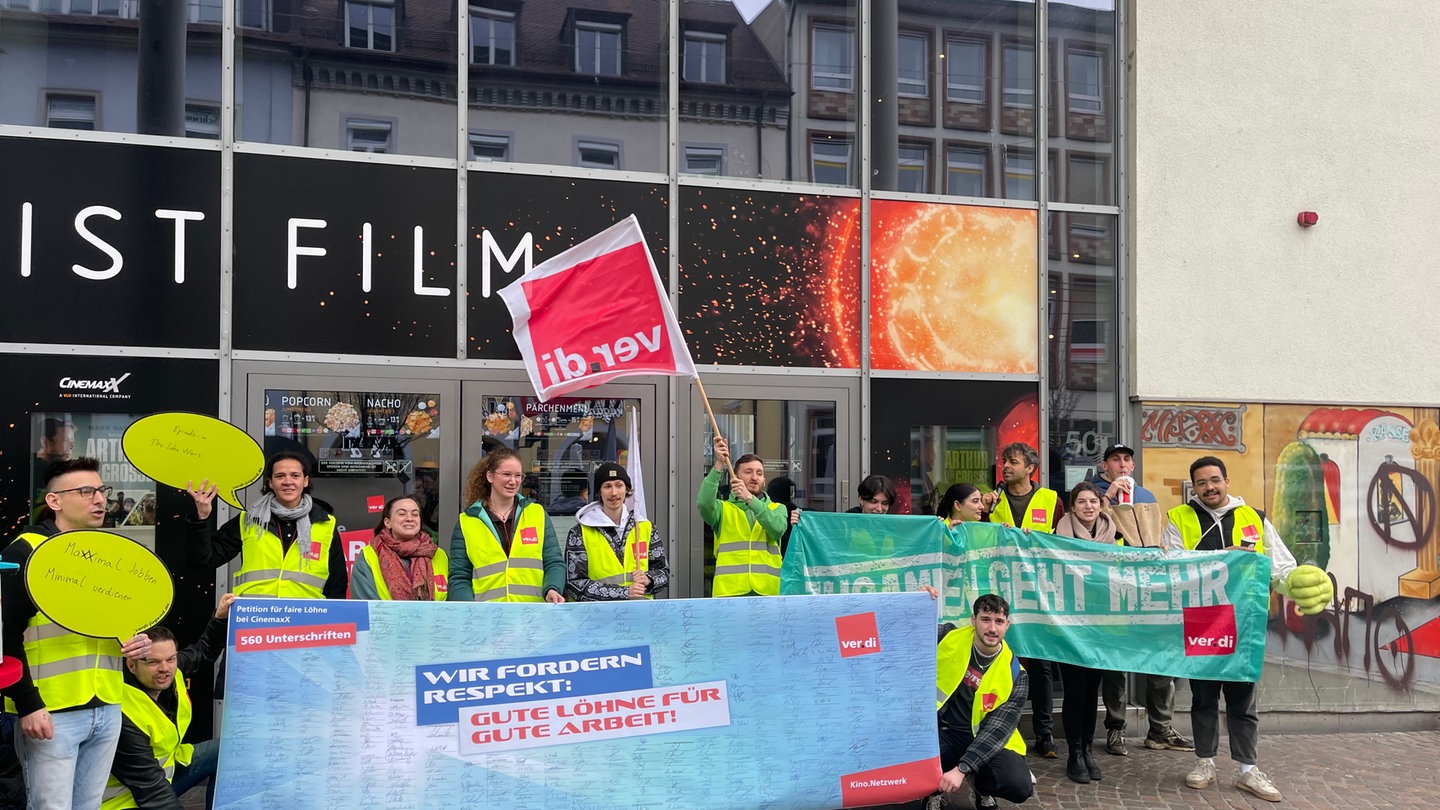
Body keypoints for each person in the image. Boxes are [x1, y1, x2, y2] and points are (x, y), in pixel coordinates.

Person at [1162, 456, 1333, 803]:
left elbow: (1280, 566)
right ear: (1193, 487)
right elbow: (1173, 567)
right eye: (1201, 483)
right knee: (1203, 697)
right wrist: (1227, 555)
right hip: (1202, 621)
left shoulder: (1255, 517)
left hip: (1245, 622)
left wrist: (1296, 581)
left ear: (1227, 481)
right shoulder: (1177, 518)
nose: (1209, 488)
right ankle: (1205, 762)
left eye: (1214, 480)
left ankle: (1247, 770)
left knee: (1242, 699)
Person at [1, 458, 153, 810]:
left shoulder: (106, 554)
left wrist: (137, 640)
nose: (99, 499)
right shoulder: (24, 551)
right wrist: (28, 705)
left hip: (107, 704)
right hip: (50, 711)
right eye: (86, 491)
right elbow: (4, 637)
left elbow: (119, 623)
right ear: (54, 501)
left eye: (102, 490)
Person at [1091, 442, 1192, 757]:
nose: (1122, 465)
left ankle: (1160, 729)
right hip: (1113, 591)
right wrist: (1107, 497)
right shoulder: (1091, 493)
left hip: (1147, 589)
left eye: (1126, 460)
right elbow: (1092, 531)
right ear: (1105, 466)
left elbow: (1156, 537)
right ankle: (1116, 729)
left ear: (1132, 467)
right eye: (1115, 460)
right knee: (1116, 664)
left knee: (1159, 658)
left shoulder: (1146, 497)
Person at [102, 594, 234, 810]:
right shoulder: (120, 709)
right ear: (131, 666)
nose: (165, 668)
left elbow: (204, 651)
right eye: (153, 662)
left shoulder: (172, 671)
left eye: (171, 659)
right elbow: (151, 788)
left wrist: (219, 618)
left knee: (228, 749)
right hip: (128, 799)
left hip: (168, 774)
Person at [980, 442, 1061, 758]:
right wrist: (984, 514)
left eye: (1013, 461)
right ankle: (996, 730)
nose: (1006, 466)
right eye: (1004, 461)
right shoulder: (992, 500)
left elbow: (1060, 544)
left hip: (1036, 592)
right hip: (999, 592)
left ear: (1031, 468)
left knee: (1041, 664)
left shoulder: (1051, 501)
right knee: (999, 661)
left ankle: (1044, 733)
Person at [186, 450, 347, 599]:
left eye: (295, 475)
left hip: (305, 621)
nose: (287, 481)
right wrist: (202, 517)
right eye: (280, 476)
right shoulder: (248, 519)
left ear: (305, 481)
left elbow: (337, 584)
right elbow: (203, 560)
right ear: (270, 483)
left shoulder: (325, 523)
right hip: (257, 619)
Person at [930, 593, 1033, 810]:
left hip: (984, 737)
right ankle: (933, 791)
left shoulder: (1017, 675)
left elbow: (998, 730)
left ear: (1007, 625)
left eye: (999, 621)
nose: (992, 628)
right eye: (985, 619)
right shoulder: (947, 635)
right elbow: (908, 627)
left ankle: (981, 786)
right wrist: (917, 600)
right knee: (917, 760)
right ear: (973, 619)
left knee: (1018, 785)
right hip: (943, 732)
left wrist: (963, 768)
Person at [1051, 482, 1113, 784]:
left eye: (1093, 501)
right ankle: (1074, 754)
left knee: (1091, 693)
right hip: (1070, 625)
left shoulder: (1116, 535)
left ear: (1101, 505)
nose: (1088, 506)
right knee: (1074, 692)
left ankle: (1088, 751)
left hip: (1102, 625)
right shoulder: (1058, 535)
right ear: (1072, 506)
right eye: (1081, 502)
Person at [449, 447, 565, 603]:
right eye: (506, 474)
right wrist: (469, 611)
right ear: (490, 476)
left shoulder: (537, 513)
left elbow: (554, 562)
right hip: (487, 619)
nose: (513, 481)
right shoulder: (467, 521)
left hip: (532, 617)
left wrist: (552, 588)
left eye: (518, 475)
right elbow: (459, 576)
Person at [564, 463, 670, 601]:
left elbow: (664, 572)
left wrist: (649, 579)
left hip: (640, 615)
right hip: (599, 617)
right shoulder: (580, 532)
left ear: (627, 490)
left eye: (619, 485)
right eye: (607, 486)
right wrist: (624, 593)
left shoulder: (645, 528)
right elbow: (574, 583)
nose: (614, 493)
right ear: (599, 492)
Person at [696, 436, 786, 597]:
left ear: (764, 481)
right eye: (748, 472)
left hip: (768, 592)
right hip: (730, 593)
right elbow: (703, 503)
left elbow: (777, 529)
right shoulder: (723, 509)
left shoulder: (777, 508)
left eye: (759, 473)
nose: (754, 477)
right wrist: (719, 464)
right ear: (735, 478)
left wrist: (750, 499)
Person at [350, 496, 447, 601]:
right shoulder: (369, 555)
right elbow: (365, 603)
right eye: (402, 514)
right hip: (383, 617)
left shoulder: (438, 554)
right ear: (387, 522)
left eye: (415, 514)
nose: (410, 519)